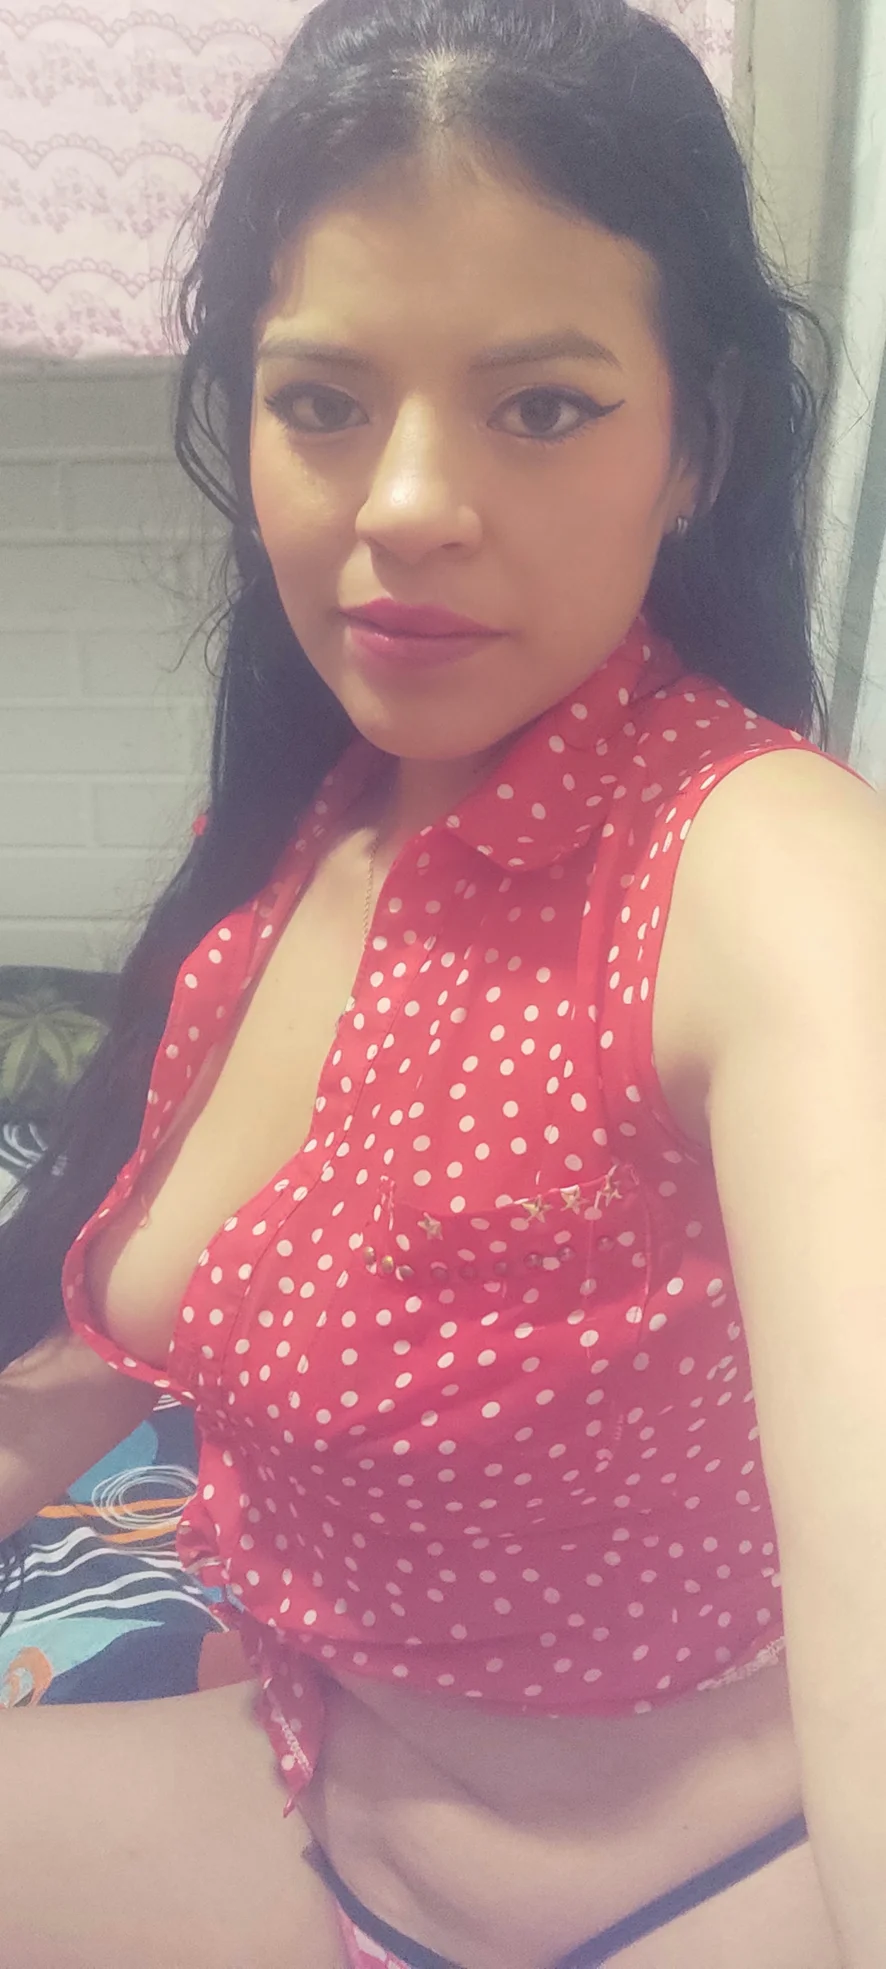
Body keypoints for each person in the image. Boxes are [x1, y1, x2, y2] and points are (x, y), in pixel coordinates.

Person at [2, 0, 886, 1963]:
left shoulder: (764, 873)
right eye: (323, 401)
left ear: (696, 441)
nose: (402, 502)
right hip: (313, 1798)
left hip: (685, 1895)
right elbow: (105, 1366)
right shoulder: (303, 840)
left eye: (540, 406)